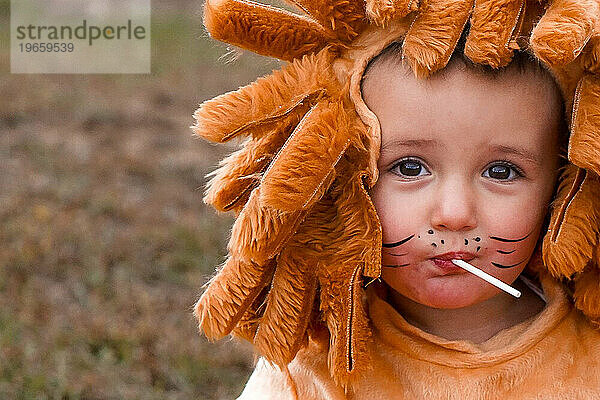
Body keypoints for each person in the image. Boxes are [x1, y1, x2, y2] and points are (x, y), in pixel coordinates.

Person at [192, 1, 600, 398]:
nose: (454, 215)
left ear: (563, 190)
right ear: (346, 180)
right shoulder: (313, 374)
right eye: (409, 168)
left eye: (501, 171)